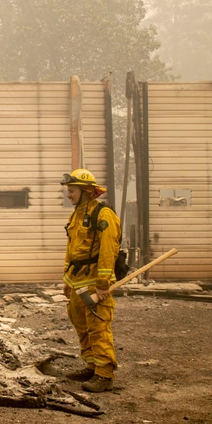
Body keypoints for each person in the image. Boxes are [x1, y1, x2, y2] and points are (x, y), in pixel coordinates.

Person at [60, 168, 121, 392]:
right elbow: (72, 249)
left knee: (98, 327)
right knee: (81, 324)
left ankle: (104, 374)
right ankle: (91, 366)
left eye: (72, 190)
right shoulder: (76, 215)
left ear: (86, 191)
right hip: (77, 281)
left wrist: (103, 284)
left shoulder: (104, 215)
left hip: (95, 281)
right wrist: (67, 278)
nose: (68, 195)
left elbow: (108, 250)